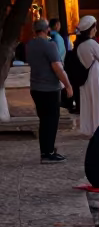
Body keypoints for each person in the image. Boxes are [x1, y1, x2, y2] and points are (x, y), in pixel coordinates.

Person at [26, 19, 73, 162]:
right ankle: (49, 153)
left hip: (35, 88)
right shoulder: (50, 45)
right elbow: (58, 68)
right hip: (49, 88)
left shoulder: (29, 45)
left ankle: (45, 151)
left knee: (44, 121)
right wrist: (68, 85)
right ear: (47, 29)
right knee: (51, 121)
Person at [74, 15, 99, 136]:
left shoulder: (79, 46)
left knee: (89, 102)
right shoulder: (92, 43)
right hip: (96, 76)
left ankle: (91, 128)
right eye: (94, 27)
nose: (96, 30)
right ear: (90, 29)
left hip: (87, 77)